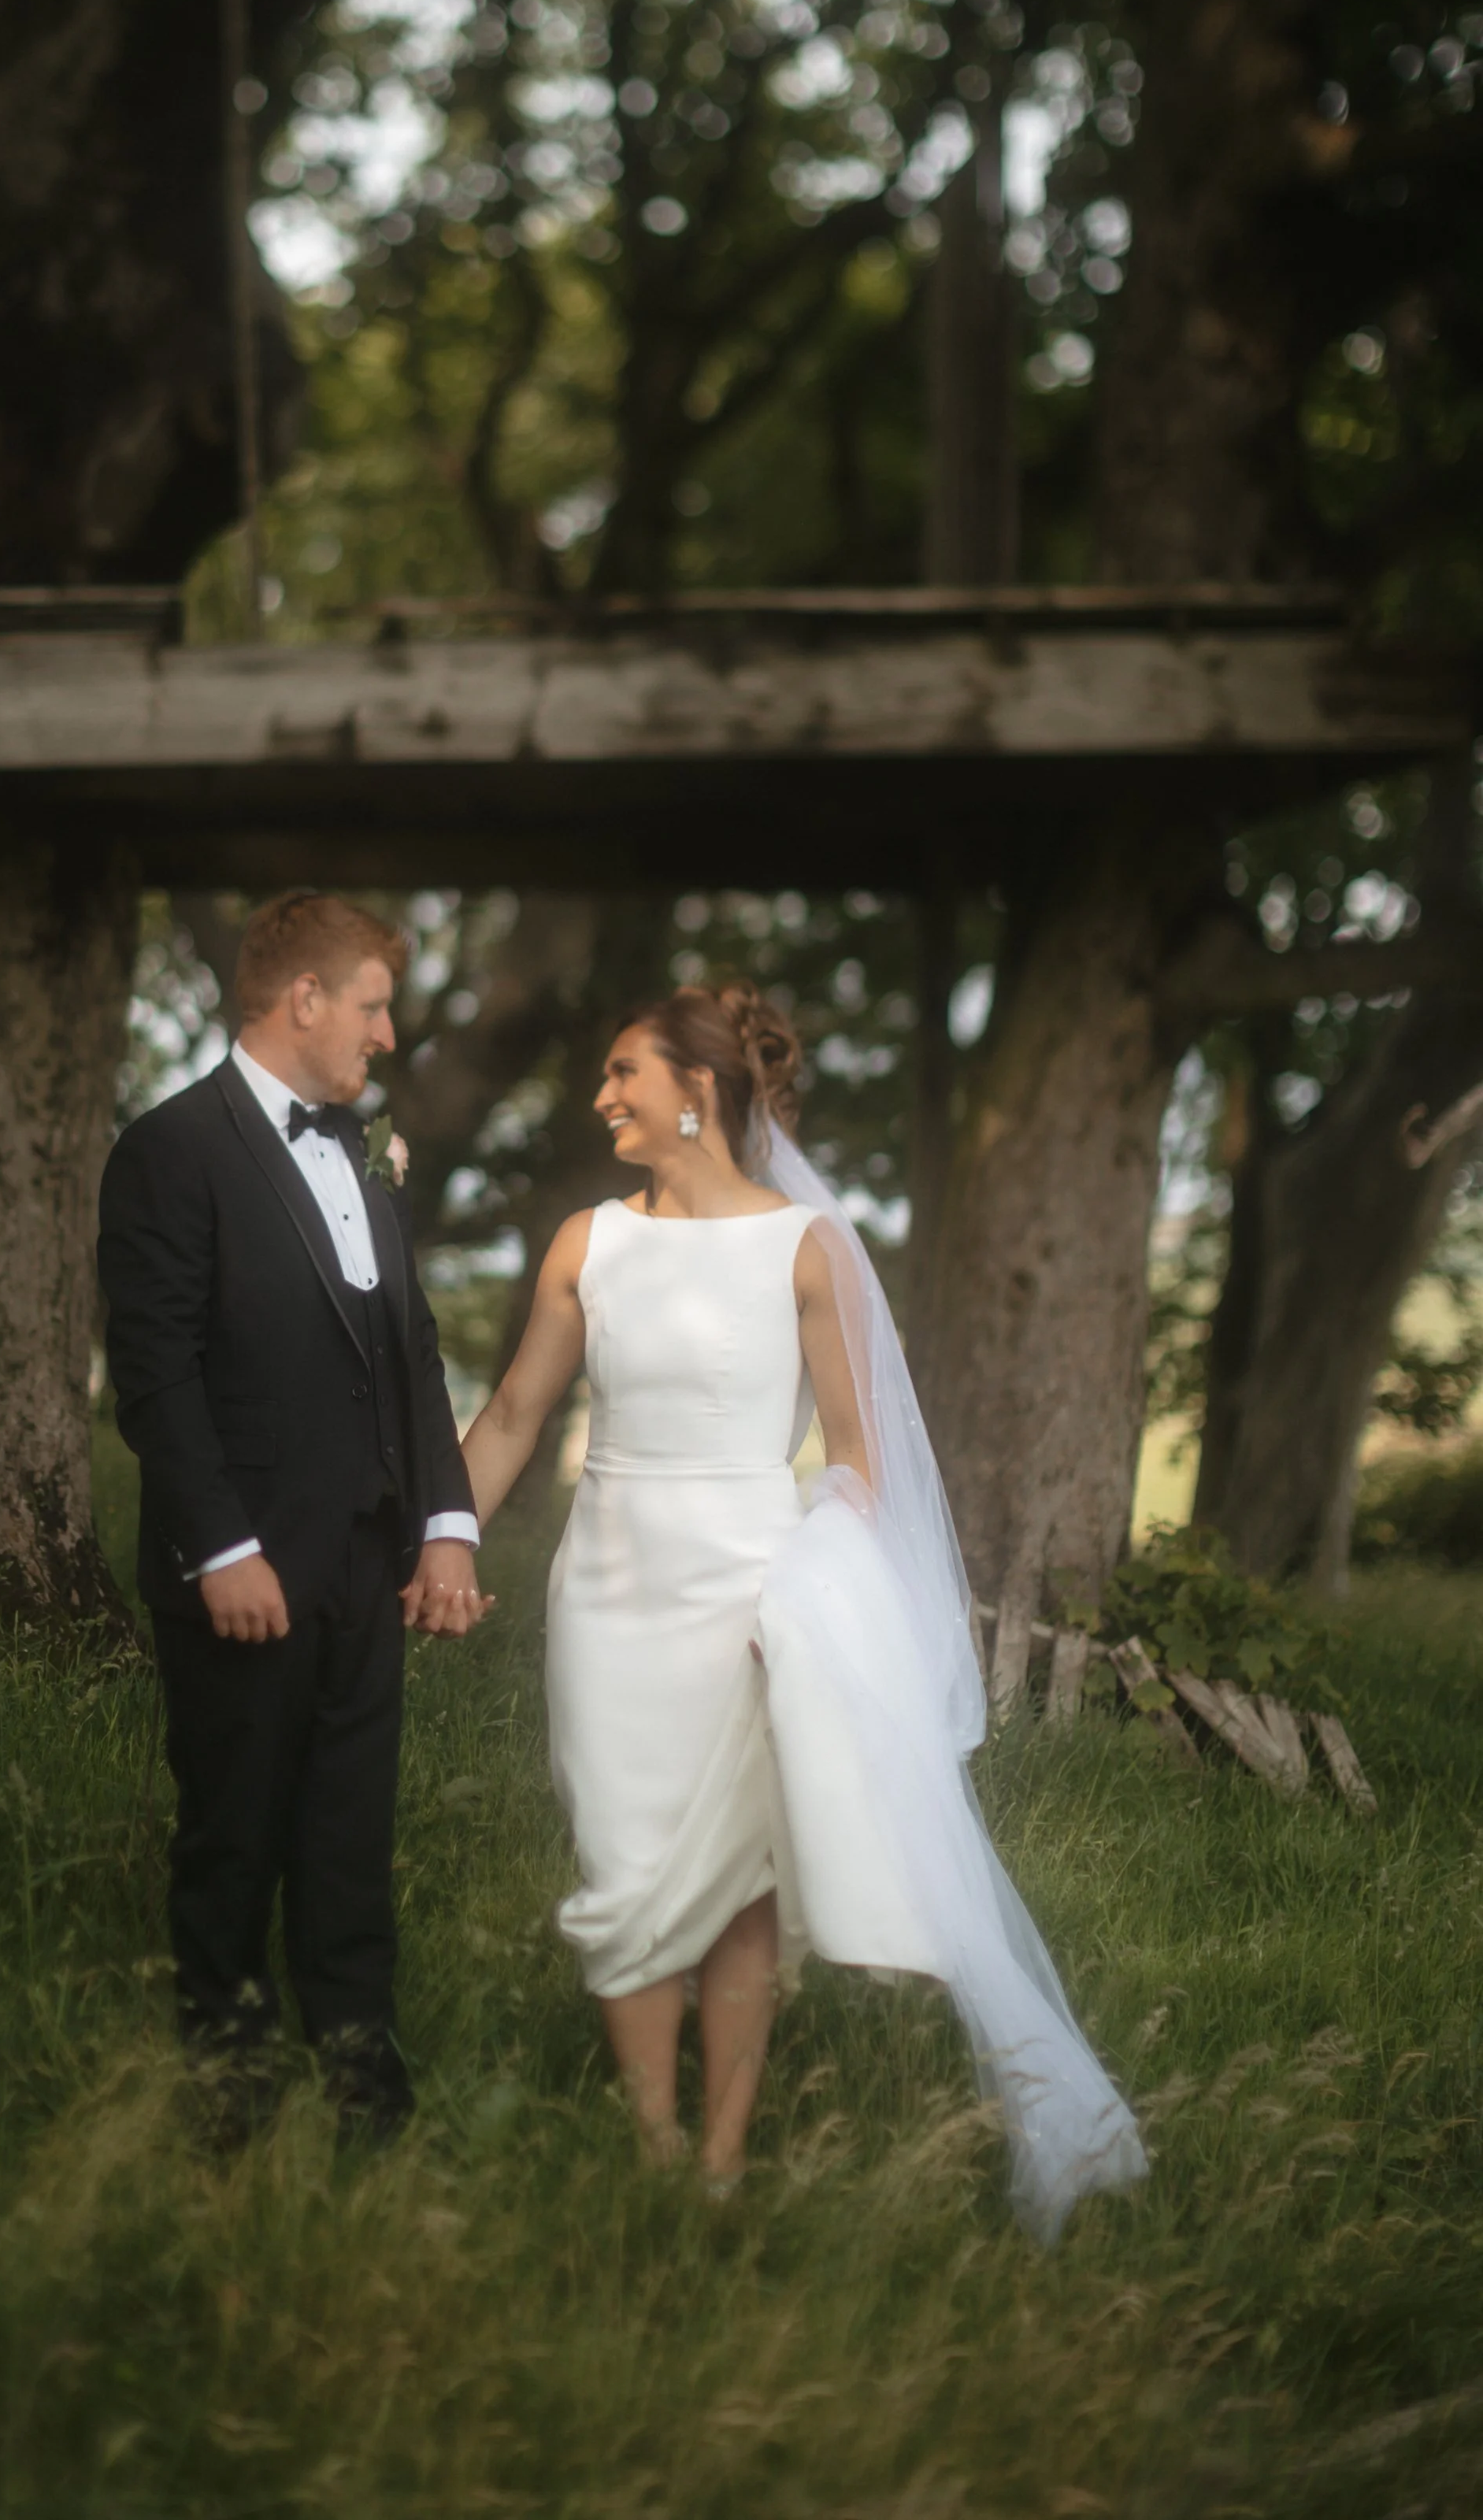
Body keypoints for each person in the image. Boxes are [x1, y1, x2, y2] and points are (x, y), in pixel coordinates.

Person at [461, 980, 1145, 2239]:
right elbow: (509, 1417)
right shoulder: (586, 1241)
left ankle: (717, 2156)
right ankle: (652, 2145)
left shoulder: (804, 1248)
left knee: (738, 1881)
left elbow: (860, 1462)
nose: (602, 1093)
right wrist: (439, 1538)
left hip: (747, 1587)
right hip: (608, 1588)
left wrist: (817, 1599)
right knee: (622, 1857)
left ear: (697, 1092)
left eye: (624, 1071)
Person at [98, 890, 490, 2136]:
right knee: (232, 1839)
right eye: (373, 1005)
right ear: (304, 998)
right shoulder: (170, 1149)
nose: (385, 1034)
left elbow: (412, 1350)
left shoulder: (367, 1154)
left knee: (348, 1833)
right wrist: (220, 1545)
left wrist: (445, 1525)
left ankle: (365, 2090)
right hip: (244, 1566)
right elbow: (155, 1374)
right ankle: (228, 2094)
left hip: (368, 1565)